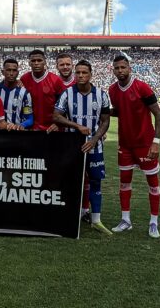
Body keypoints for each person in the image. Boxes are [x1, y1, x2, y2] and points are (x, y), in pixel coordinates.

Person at [52, 60, 112, 235]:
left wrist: (94, 139)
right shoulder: (67, 93)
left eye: (84, 72)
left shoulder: (101, 94)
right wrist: (76, 125)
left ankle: (96, 220)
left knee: (95, 181)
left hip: (94, 146)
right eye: (77, 72)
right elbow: (56, 116)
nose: (80, 76)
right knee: (70, 182)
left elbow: (106, 120)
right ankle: (70, 216)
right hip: (72, 146)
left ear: (91, 74)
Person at [108, 55, 160, 238]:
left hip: (145, 144)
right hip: (125, 144)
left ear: (129, 68)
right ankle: (126, 220)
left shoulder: (142, 87)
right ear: (113, 70)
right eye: (117, 68)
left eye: (123, 67)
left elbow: (158, 114)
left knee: (153, 184)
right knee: (124, 182)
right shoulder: (112, 90)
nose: (120, 71)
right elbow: (119, 111)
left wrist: (155, 142)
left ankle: (154, 222)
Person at [21, 49, 66, 131]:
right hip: (31, 128)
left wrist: (58, 123)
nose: (36, 63)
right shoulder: (24, 79)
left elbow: (64, 104)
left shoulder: (55, 80)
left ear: (45, 62)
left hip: (51, 129)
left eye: (39, 60)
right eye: (33, 61)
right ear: (29, 63)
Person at [0, 58, 33, 129]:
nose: (11, 73)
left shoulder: (25, 93)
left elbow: (29, 118)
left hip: (15, 133)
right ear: (2, 72)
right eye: (8, 70)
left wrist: (21, 125)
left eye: (14, 70)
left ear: (18, 73)